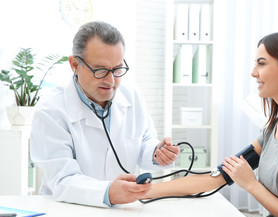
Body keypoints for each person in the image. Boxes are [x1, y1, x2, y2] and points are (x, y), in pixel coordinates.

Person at [144, 30, 278, 217]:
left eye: (262, 63)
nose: (253, 72)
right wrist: (144, 191)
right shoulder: (274, 127)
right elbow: (216, 178)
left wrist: (250, 184)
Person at [30, 21, 179, 207]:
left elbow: (144, 141)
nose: (111, 81)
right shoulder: (51, 110)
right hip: (67, 212)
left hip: (122, 210)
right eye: (100, 70)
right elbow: (62, 180)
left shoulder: (131, 96)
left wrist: (157, 153)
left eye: (117, 69)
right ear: (74, 64)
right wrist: (107, 192)